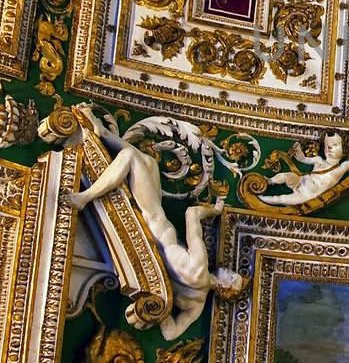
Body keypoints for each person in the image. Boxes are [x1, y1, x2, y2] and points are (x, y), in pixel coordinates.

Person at [65, 105, 246, 338]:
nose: (229, 271)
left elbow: (191, 214)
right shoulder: (196, 305)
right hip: (148, 245)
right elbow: (170, 333)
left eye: (232, 277)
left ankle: (83, 198)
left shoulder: (201, 265)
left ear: (225, 288)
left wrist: (214, 210)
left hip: (151, 221)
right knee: (149, 162)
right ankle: (102, 133)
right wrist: (162, 297)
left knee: (131, 158)